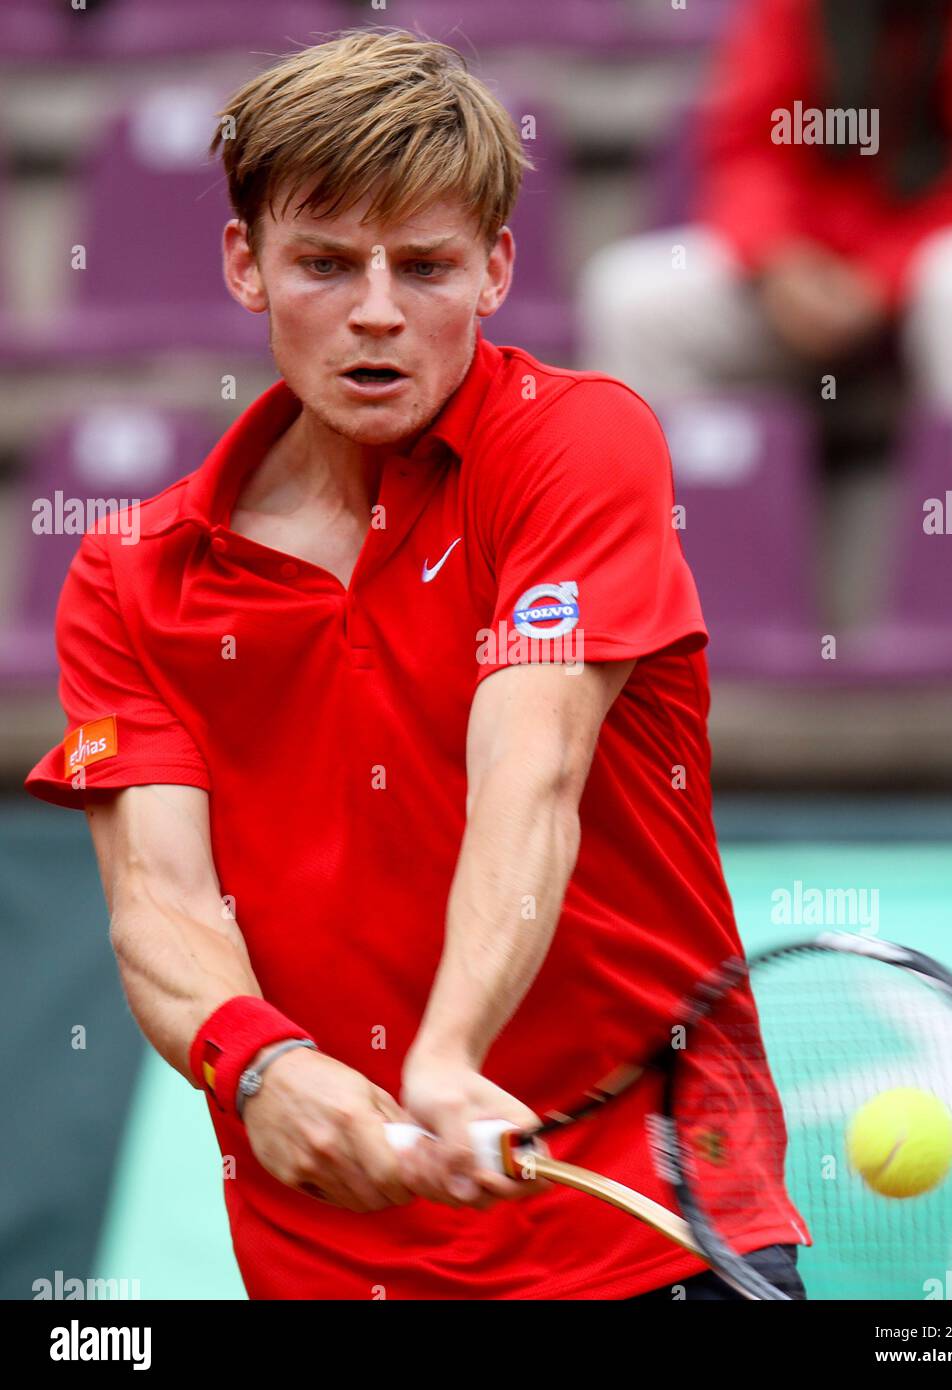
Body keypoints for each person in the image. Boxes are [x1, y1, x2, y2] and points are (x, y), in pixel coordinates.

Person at [25, 28, 808, 1300]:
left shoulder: (576, 446)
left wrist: (444, 1053)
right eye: (325, 265)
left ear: (498, 269)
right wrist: (256, 1060)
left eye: (427, 267)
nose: (377, 312)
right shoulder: (132, 574)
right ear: (245, 265)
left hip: (644, 1209)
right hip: (334, 1252)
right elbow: (159, 899)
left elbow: (532, 765)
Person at [578, 0, 952, 407]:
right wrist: (778, 258)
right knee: (633, 294)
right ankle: (672, 516)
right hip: (818, 273)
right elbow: (750, 147)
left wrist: (880, 278)